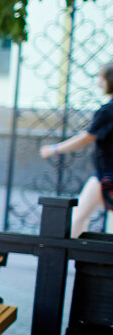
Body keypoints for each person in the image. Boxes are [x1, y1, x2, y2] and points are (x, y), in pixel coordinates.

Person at [40, 60, 113, 236]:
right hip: (106, 175)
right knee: (83, 215)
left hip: (107, 175)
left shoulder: (108, 110)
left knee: (79, 215)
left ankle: (67, 256)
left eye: (101, 77)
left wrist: (54, 149)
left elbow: (87, 137)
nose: (98, 81)